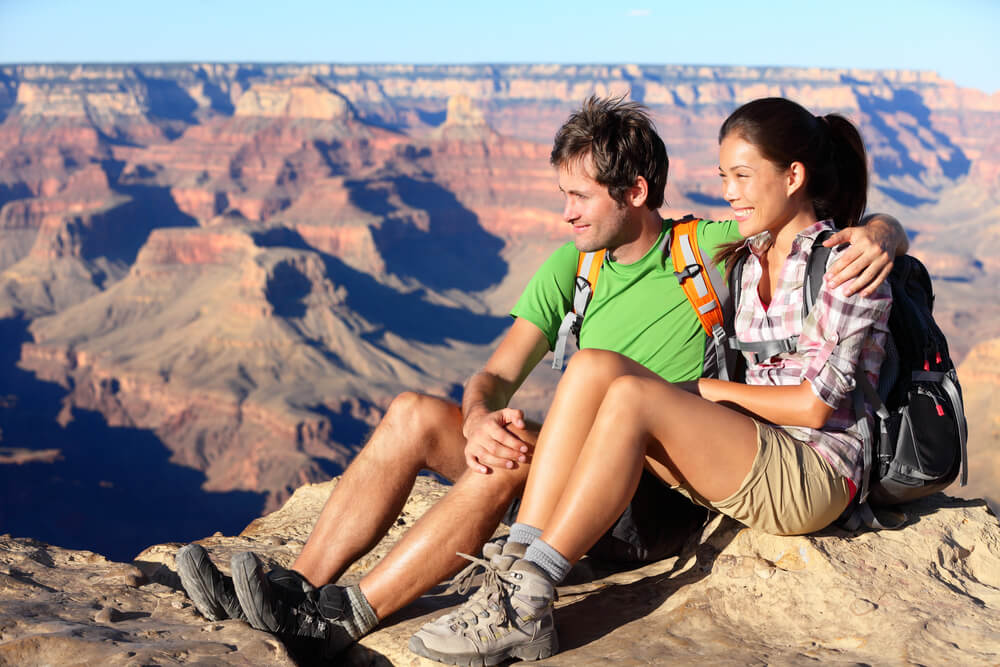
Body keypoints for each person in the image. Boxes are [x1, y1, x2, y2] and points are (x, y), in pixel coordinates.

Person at [175, 96, 906, 660]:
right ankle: (291, 590)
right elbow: (494, 372)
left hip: (637, 480)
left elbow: (812, 227)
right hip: (569, 456)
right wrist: (477, 416)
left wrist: (883, 233)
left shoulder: (710, 249)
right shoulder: (574, 267)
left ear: (636, 192)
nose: (563, 216)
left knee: (509, 465)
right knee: (412, 412)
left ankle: (345, 618)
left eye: (579, 198)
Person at [408, 96, 895, 665]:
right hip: (754, 448)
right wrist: (887, 225)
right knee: (595, 364)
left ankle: (531, 598)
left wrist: (884, 231)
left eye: (743, 176)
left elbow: (815, 409)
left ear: (793, 176)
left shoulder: (848, 267)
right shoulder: (749, 249)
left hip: (816, 473)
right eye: (722, 176)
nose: (729, 192)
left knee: (634, 397)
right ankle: (516, 571)